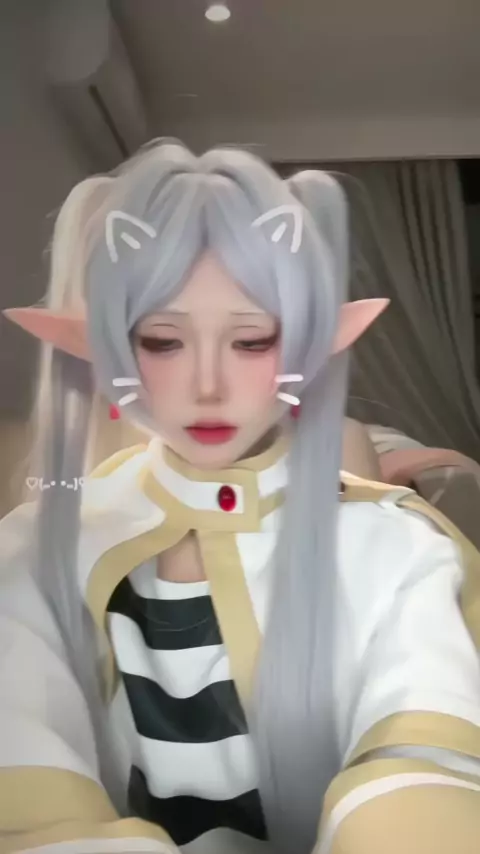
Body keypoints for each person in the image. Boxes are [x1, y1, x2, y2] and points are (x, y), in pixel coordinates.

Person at [1, 140, 479, 854]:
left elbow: (425, 758)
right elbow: (27, 790)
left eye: (252, 341)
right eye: (161, 341)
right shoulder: (30, 555)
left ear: (314, 342)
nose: (207, 387)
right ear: (105, 347)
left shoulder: (400, 549)